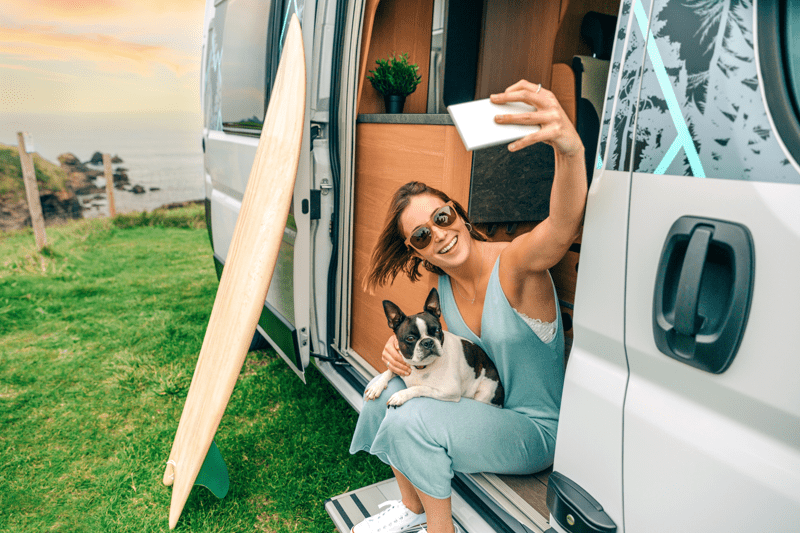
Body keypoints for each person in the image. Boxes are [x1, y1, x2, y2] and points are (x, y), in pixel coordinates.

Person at [348, 80, 587, 533]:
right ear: (415, 252)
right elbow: (435, 349)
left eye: (441, 218)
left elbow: (561, 226)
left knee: (413, 415)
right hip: (484, 413)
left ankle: (442, 529)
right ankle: (412, 509)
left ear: (458, 212)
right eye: (421, 236)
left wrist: (569, 150)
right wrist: (396, 353)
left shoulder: (514, 263)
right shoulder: (440, 291)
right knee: (382, 397)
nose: (437, 234)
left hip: (536, 432)